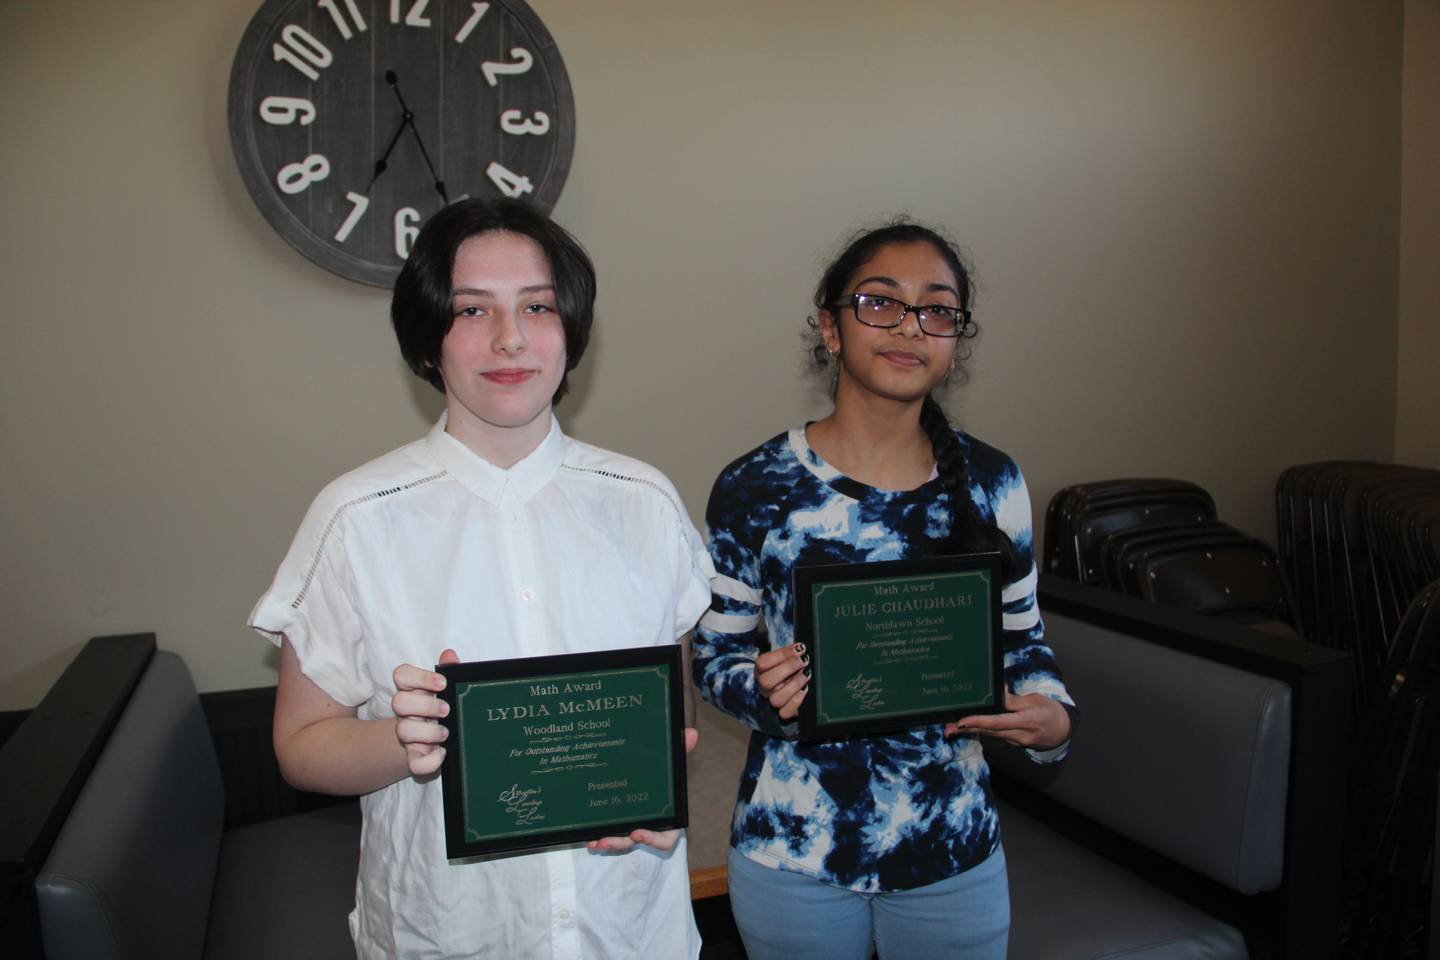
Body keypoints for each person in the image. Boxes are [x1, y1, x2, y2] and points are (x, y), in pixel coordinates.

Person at [248, 199, 712, 959]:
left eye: (538, 305)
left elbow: (674, 697)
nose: (510, 337)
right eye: (472, 310)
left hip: (629, 927)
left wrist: (656, 776)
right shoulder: (356, 517)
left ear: (571, 330)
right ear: (430, 339)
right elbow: (301, 745)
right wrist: (406, 739)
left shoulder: (645, 503)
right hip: (450, 931)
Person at [693, 220, 1077, 959]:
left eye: (936, 309)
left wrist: (1053, 717)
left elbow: (1025, 642)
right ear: (830, 329)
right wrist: (761, 692)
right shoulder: (756, 485)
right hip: (792, 848)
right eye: (880, 302)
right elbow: (714, 652)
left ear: (955, 339)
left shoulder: (995, 480)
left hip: (951, 846)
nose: (910, 326)